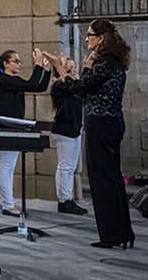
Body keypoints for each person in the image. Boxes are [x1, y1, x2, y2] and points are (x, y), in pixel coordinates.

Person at [47, 20, 134, 249]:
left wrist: (60, 68)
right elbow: (86, 89)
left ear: (101, 38)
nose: (87, 39)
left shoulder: (104, 63)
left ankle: (111, 236)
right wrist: (84, 69)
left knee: (102, 181)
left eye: (90, 35)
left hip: (101, 124)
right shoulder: (113, 63)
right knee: (113, 179)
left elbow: (77, 88)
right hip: (113, 122)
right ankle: (124, 233)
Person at [0, 48, 51, 216]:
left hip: (14, 127)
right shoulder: (3, 80)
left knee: (9, 167)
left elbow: (37, 87)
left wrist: (47, 70)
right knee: (6, 166)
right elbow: (31, 84)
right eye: (16, 61)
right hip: (6, 128)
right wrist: (37, 65)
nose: (19, 64)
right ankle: (7, 204)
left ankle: (9, 203)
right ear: (5, 64)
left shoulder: (12, 80)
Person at [48, 56, 88, 215]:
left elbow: (80, 89)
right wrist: (59, 66)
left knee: (70, 167)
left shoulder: (75, 85)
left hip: (75, 129)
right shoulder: (59, 85)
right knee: (64, 166)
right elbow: (70, 87)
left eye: (74, 66)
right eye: (69, 67)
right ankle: (64, 200)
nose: (73, 70)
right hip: (64, 129)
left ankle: (67, 198)